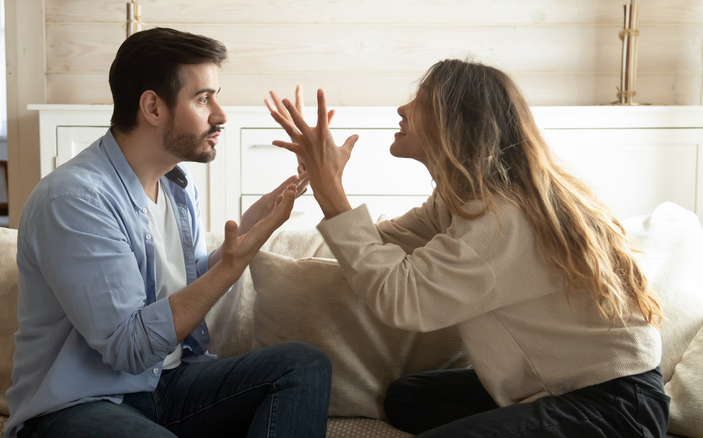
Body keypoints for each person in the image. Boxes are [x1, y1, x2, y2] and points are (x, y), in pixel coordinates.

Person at [265, 59, 670, 437]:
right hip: (562, 386)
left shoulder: (503, 220)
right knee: (407, 399)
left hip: (616, 405)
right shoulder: (461, 201)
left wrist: (331, 188)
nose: (402, 109)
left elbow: (403, 298)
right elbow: (375, 246)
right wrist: (323, 185)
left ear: (456, 124)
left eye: (421, 102)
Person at [4, 28, 332, 438]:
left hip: (168, 384)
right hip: (82, 404)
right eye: (202, 99)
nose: (221, 115)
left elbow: (190, 280)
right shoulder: (73, 200)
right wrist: (231, 267)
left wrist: (255, 226)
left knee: (302, 365)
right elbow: (129, 348)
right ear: (153, 107)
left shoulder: (177, 185)